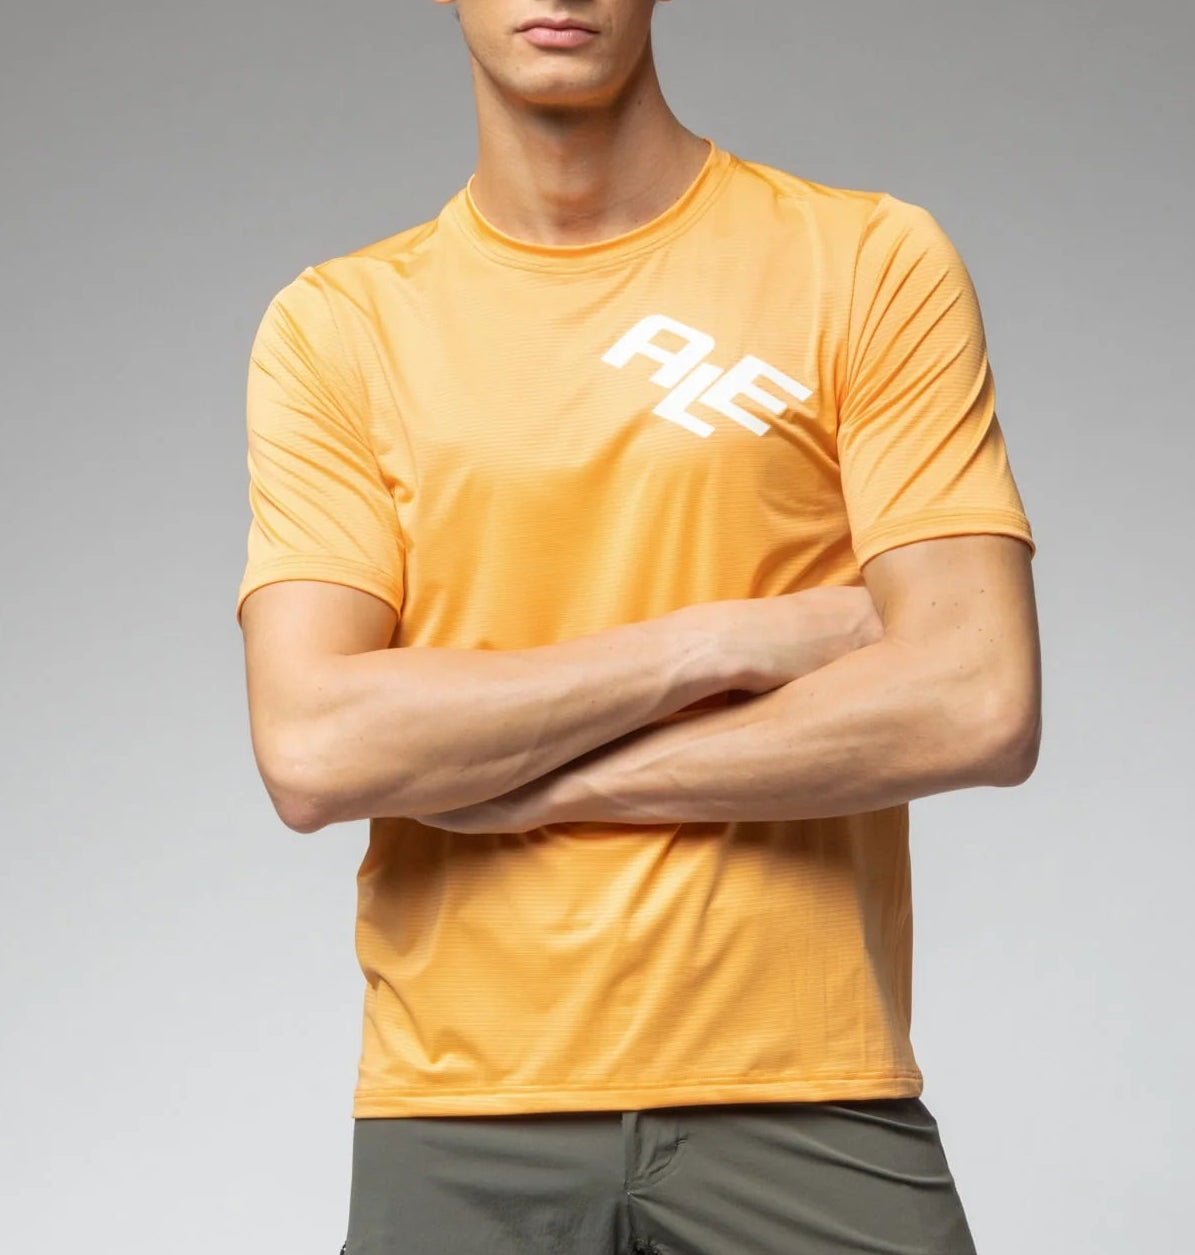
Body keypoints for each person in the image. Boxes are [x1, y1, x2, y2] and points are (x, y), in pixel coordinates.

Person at [235, 2, 1041, 1252]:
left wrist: (534, 785)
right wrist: (711, 644)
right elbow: (314, 747)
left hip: (803, 1087)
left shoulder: (865, 261)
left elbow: (974, 698)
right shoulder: (339, 326)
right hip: (460, 1111)